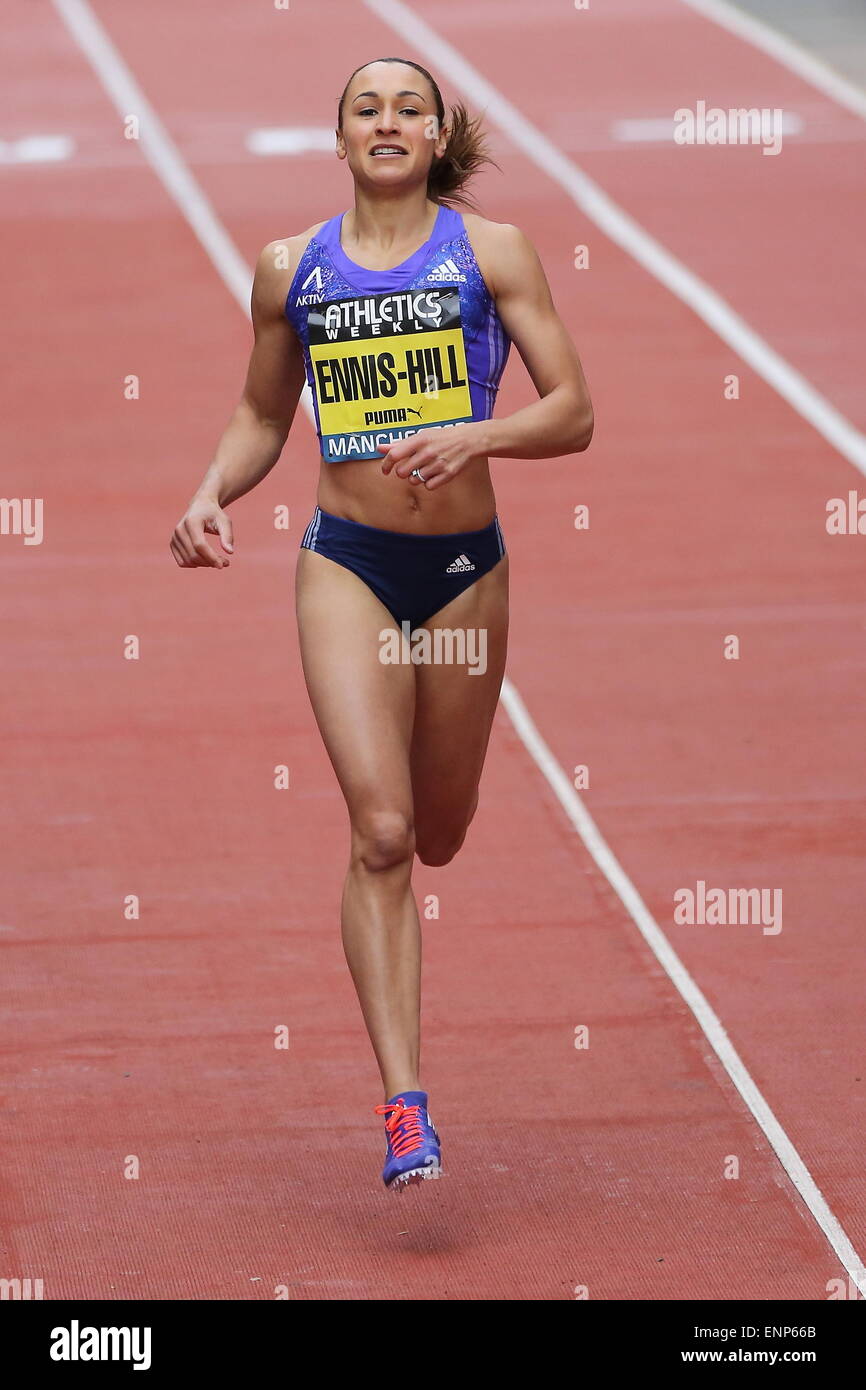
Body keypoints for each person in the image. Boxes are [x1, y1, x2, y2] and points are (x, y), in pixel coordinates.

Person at [170, 56, 593, 1191]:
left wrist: (476, 439)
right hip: (343, 564)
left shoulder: (489, 252)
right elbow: (265, 413)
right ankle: (405, 1104)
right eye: (369, 107)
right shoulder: (288, 270)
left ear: (434, 134)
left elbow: (573, 411)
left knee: (442, 828)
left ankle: (434, 811)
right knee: (383, 832)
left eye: (410, 106)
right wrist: (213, 488)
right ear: (341, 138)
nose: (389, 120)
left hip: (461, 573)